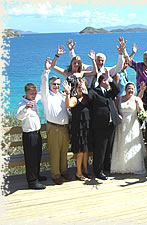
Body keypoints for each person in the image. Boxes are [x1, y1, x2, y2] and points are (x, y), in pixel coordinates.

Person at [82, 69, 121, 180]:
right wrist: (84, 91)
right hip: (100, 126)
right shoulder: (94, 91)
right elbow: (88, 98)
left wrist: (110, 78)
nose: (108, 82)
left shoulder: (109, 92)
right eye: (106, 80)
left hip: (111, 124)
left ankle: (106, 167)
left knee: (109, 147)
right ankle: (98, 171)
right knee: (100, 149)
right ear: (101, 81)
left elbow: (117, 90)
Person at [40, 57, 71, 185]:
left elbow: (68, 110)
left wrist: (68, 94)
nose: (56, 86)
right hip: (53, 127)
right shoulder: (46, 96)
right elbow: (43, 84)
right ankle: (56, 175)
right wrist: (46, 71)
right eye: (54, 84)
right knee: (54, 153)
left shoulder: (61, 96)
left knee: (64, 152)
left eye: (58, 84)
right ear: (50, 85)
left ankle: (64, 171)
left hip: (64, 128)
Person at [110, 82, 146, 174]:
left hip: (133, 125)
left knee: (132, 145)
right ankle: (121, 167)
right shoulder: (119, 99)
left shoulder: (136, 99)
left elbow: (140, 112)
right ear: (125, 90)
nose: (130, 90)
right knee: (122, 144)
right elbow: (114, 109)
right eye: (129, 88)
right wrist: (118, 115)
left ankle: (133, 167)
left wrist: (138, 104)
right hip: (121, 125)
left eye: (132, 89)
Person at [16, 83, 47, 189]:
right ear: (26, 93)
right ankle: (32, 181)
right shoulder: (22, 103)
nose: (34, 95)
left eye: (34, 93)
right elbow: (19, 117)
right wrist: (26, 108)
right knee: (31, 158)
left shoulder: (34, 98)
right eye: (31, 93)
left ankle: (37, 175)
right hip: (29, 135)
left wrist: (46, 72)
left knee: (37, 156)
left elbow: (42, 91)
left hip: (37, 133)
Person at [63, 79, 92, 181]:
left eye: (82, 87)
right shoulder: (75, 99)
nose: (80, 89)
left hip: (87, 129)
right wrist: (67, 93)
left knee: (86, 151)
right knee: (80, 152)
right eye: (79, 87)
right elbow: (68, 105)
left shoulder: (88, 99)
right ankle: (78, 173)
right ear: (76, 88)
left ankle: (85, 170)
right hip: (78, 130)